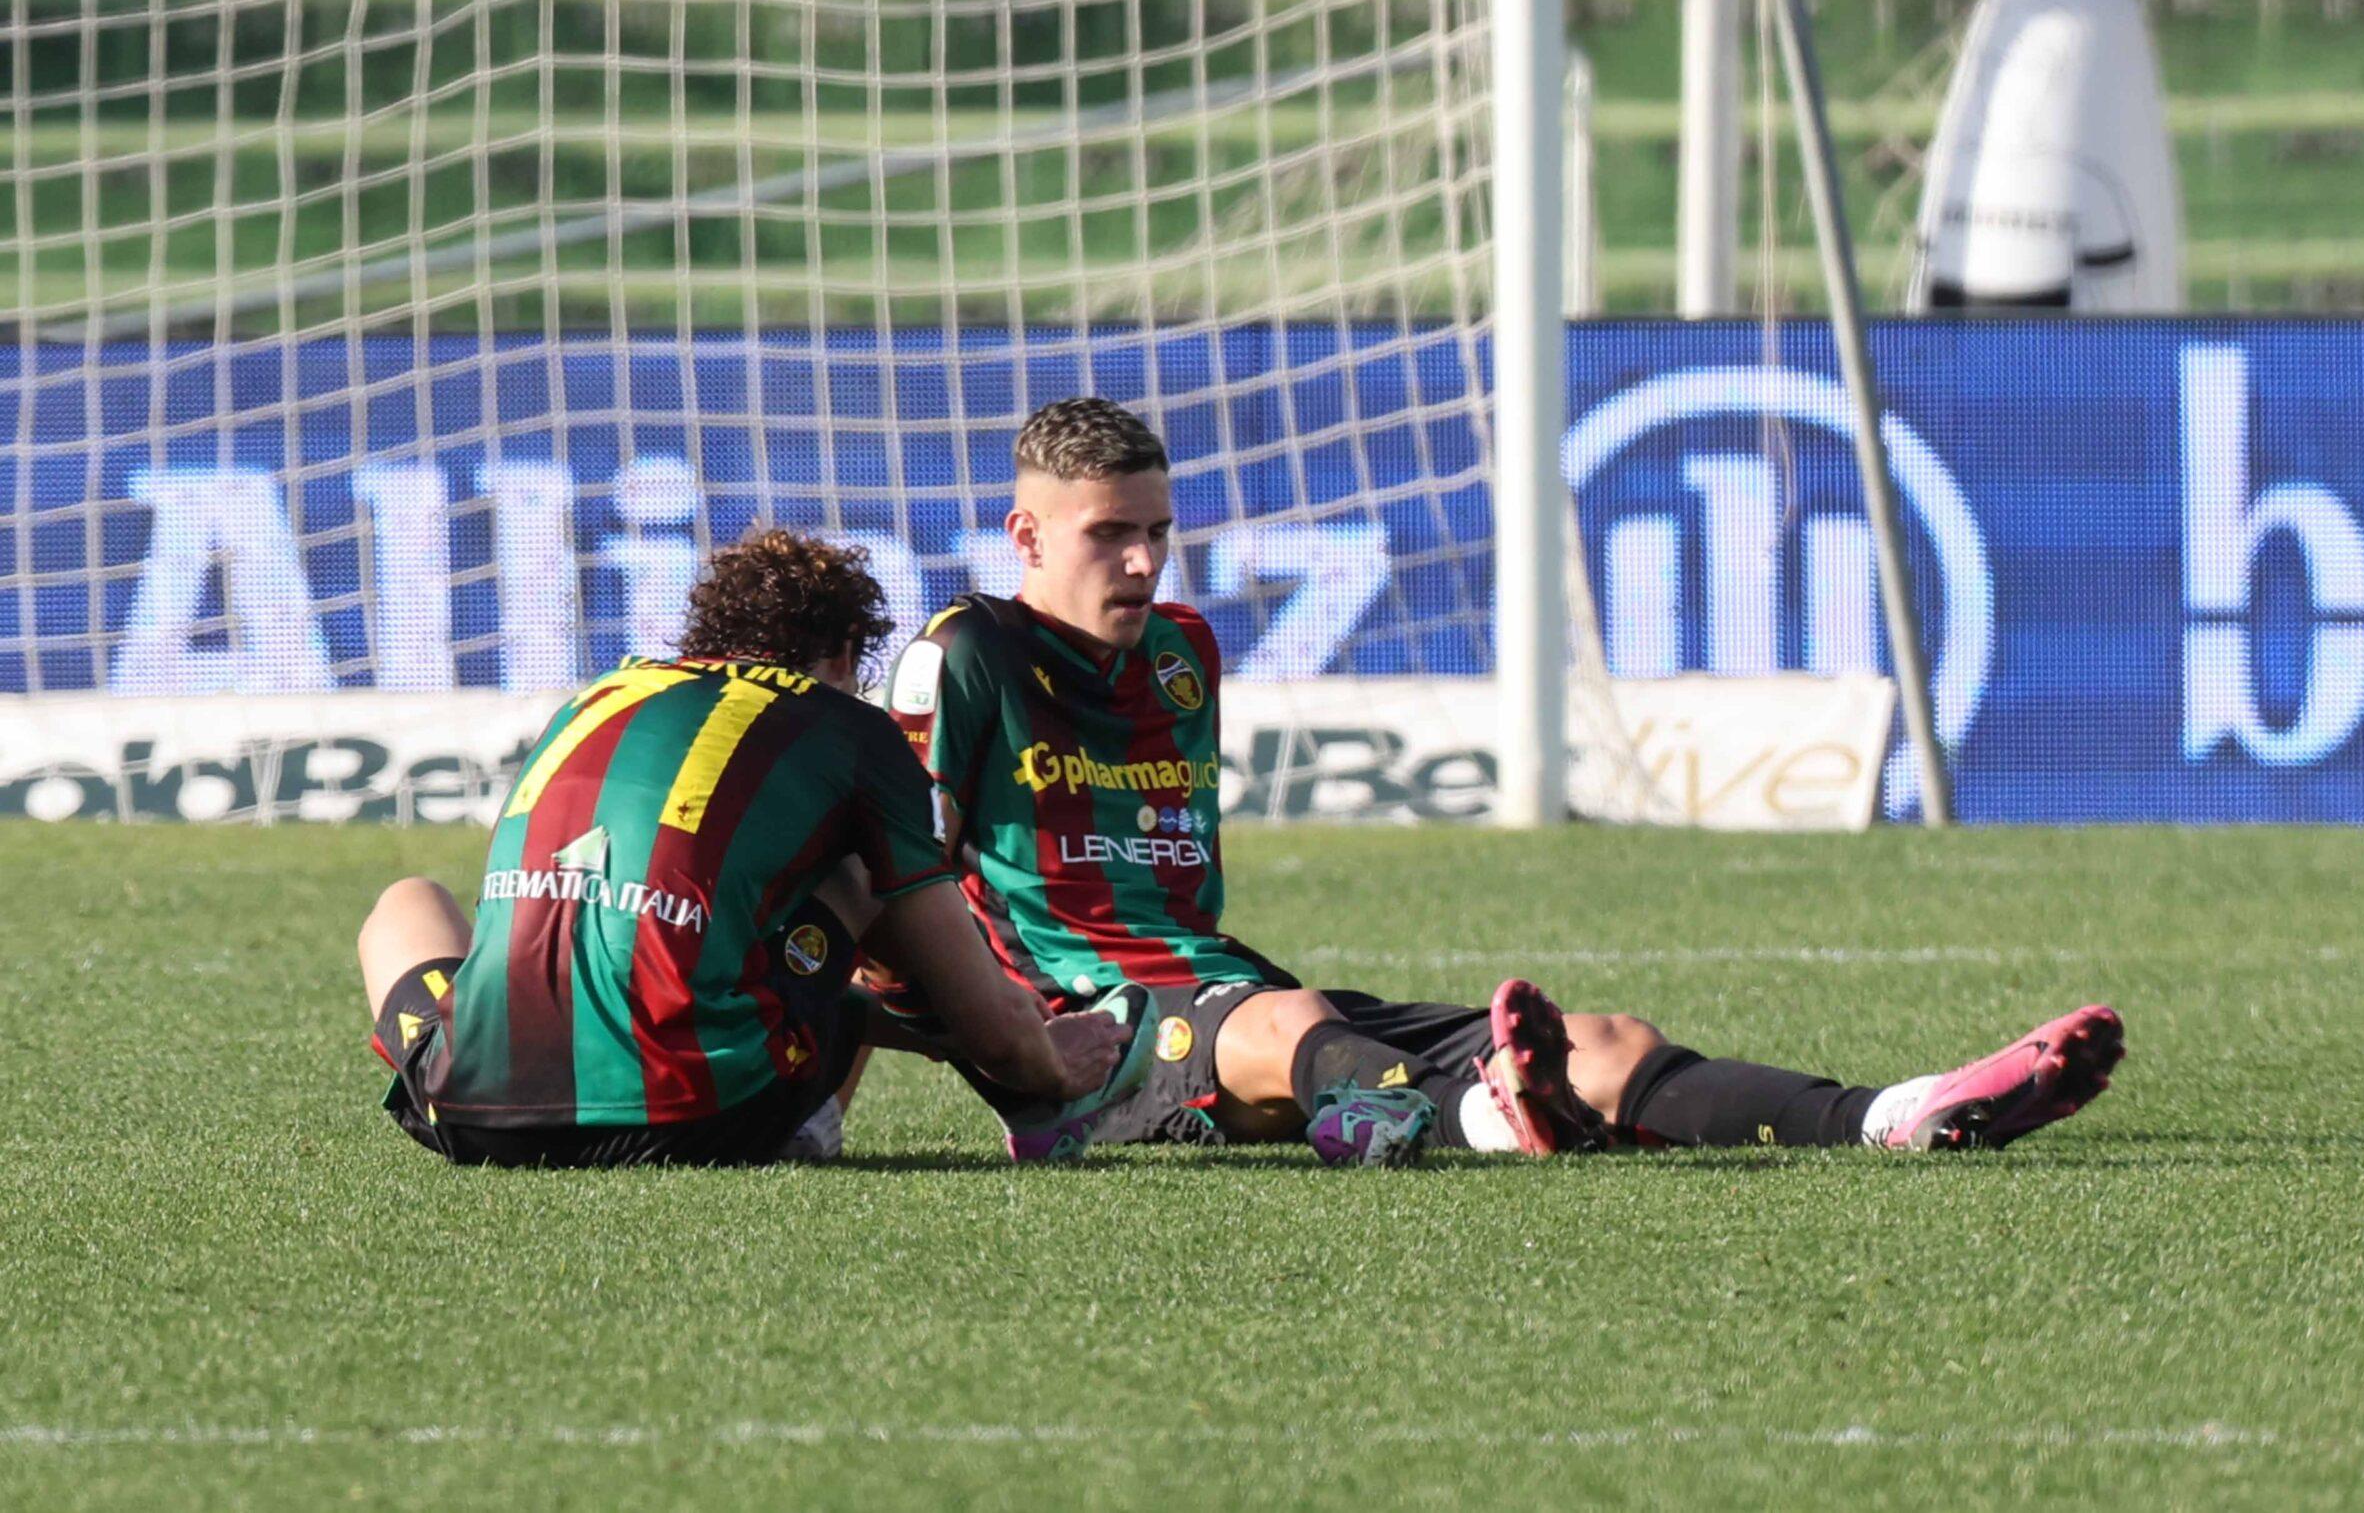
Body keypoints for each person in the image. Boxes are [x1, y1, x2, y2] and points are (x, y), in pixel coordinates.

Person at [881, 397, 2125, 1165]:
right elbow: (891, 879)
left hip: (1228, 992)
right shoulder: (967, 655)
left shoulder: (1184, 654)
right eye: (1111, 533)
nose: (1145, 559)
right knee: (1291, 1031)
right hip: (1080, 1031)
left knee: (1605, 1039)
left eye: (1157, 527)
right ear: (1028, 536)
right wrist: (993, 1055)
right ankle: (1484, 1121)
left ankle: (1895, 1114)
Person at [356, 526, 1140, 1168]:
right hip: (693, 1120)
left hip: (464, 1110)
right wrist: (1043, 1056)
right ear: (840, 657)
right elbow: (988, 1025)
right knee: (869, 871)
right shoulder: (854, 732)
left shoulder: (597, 694)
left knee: (408, 901)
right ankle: (891, 1122)